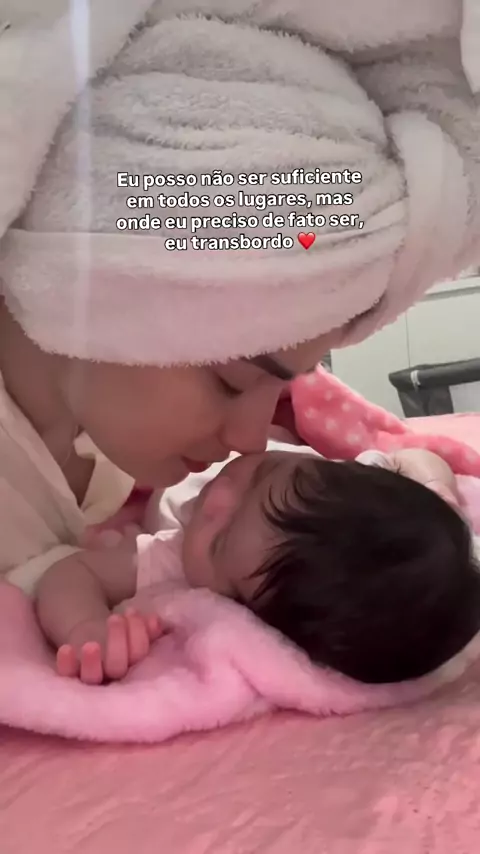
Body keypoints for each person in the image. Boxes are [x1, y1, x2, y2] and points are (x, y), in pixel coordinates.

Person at [1, 3, 480, 629]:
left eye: (279, 387)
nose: (253, 441)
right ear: (97, 284)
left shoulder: (103, 418)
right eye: (232, 382)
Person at [34, 442, 480, 685]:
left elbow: (71, 573)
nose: (219, 495)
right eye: (259, 477)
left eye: (219, 542)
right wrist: (436, 488)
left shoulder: (177, 558)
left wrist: (85, 627)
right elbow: (415, 455)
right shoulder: (332, 492)